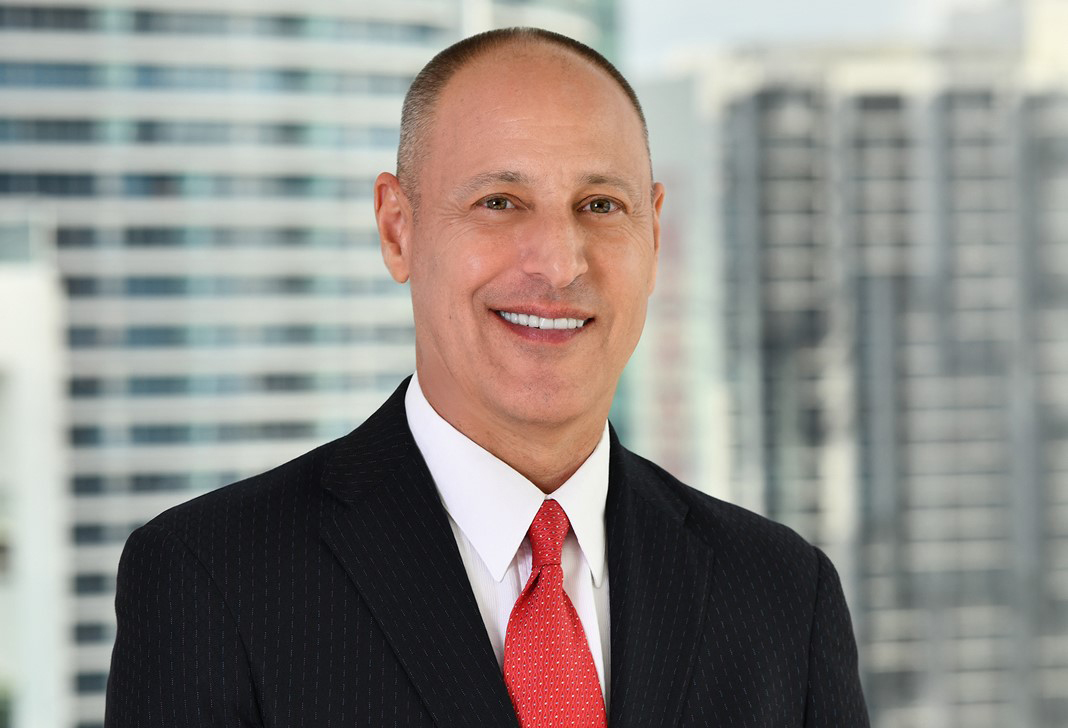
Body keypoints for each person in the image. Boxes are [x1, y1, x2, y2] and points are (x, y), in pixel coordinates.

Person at [105, 27, 869, 727]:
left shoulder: (781, 595)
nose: (559, 263)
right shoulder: (213, 581)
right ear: (397, 229)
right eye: (499, 202)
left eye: (601, 205)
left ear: (655, 234)